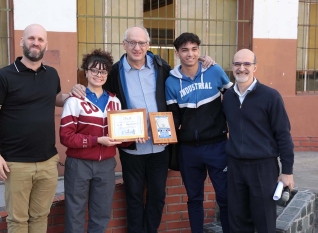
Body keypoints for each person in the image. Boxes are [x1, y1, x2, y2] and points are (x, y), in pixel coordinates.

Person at [71, 26, 215, 233]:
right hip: (131, 148)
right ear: (124, 44)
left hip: (160, 147)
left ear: (148, 45)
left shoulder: (162, 67)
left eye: (141, 43)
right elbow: (97, 87)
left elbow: (182, 81)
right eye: (132, 42)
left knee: (157, 196)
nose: (137, 47)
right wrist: (79, 87)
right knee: (134, 197)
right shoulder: (114, 72)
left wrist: (204, 61)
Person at [0, 24, 70, 233]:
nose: (36, 43)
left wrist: (74, 95)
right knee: (18, 220)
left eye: (40, 40)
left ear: (45, 45)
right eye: (31, 38)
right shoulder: (4, 76)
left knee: (40, 216)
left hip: (48, 162)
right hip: (16, 163)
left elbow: (55, 98)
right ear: (22, 41)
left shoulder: (51, 74)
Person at [165, 32, 232, 233]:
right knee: (194, 198)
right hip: (188, 150)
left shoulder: (215, 71)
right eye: (185, 50)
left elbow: (232, 101)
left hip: (217, 145)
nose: (190, 54)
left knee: (224, 196)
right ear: (177, 54)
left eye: (194, 49)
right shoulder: (171, 82)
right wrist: (164, 133)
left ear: (199, 51)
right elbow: (173, 116)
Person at [222, 49, 294, 233]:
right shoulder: (228, 97)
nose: (242, 68)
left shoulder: (270, 96)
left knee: (264, 221)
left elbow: (283, 134)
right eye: (237, 64)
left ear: (255, 67)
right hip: (236, 167)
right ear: (232, 67)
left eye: (247, 64)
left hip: (263, 167)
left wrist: (287, 171)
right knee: (237, 220)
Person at [59, 49, 132, 233]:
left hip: (106, 165)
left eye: (103, 71)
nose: (99, 75)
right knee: (75, 213)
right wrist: (96, 140)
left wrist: (131, 137)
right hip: (79, 164)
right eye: (94, 70)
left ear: (108, 74)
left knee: (101, 213)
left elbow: (120, 139)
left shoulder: (115, 101)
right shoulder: (75, 100)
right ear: (86, 71)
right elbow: (66, 137)